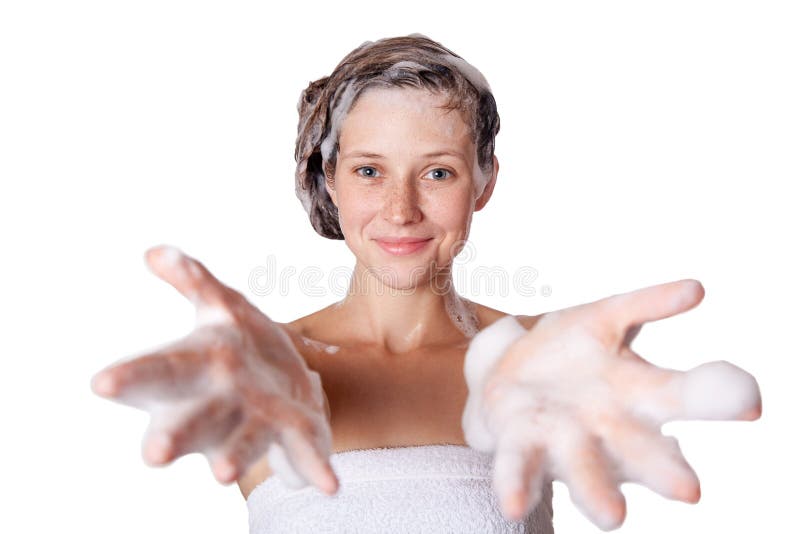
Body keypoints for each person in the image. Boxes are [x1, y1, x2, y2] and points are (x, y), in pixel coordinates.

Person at [90, 34, 762, 533]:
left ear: (485, 181)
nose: (402, 209)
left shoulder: (538, 361)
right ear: (329, 179)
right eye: (369, 172)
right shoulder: (268, 371)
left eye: (437, 172)